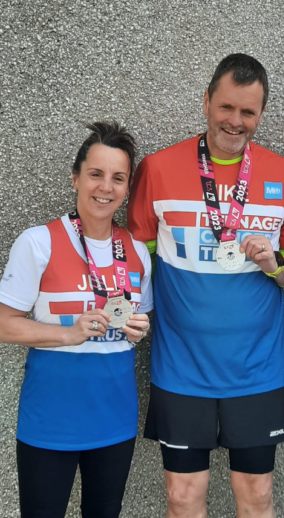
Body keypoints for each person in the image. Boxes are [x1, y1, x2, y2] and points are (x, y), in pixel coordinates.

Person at [127, 53, 284, 518]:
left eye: (248, 111)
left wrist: (275, 264)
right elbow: (133, 258)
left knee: (257, 498)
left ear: (261, 114)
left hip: (256, 371)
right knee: (183, 500)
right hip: (181, 370)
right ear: (206, 101)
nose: (236, 121)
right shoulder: (158, 168)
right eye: (226, 107)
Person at [0, 122, 153, 518]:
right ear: (75, 178)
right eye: (96, 174)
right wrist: (68, 334)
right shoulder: (38, 242)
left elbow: (139, 321)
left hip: (114, 421)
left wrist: (139, 328)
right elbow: (4, 323)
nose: (106, 187)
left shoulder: (136, 250)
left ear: (127, 188)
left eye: (118, 178)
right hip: (50, 421)